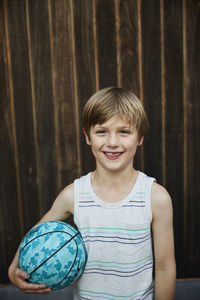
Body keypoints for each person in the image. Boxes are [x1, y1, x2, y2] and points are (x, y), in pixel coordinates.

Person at [8, 87, 176, 299]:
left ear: (140, 137)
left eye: (124, 132)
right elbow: (37, 233)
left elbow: (165, 268)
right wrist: (13, 269)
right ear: (87, 136)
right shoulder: (74, 194)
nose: (112, 142)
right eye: (101, 131)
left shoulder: (155, 197)